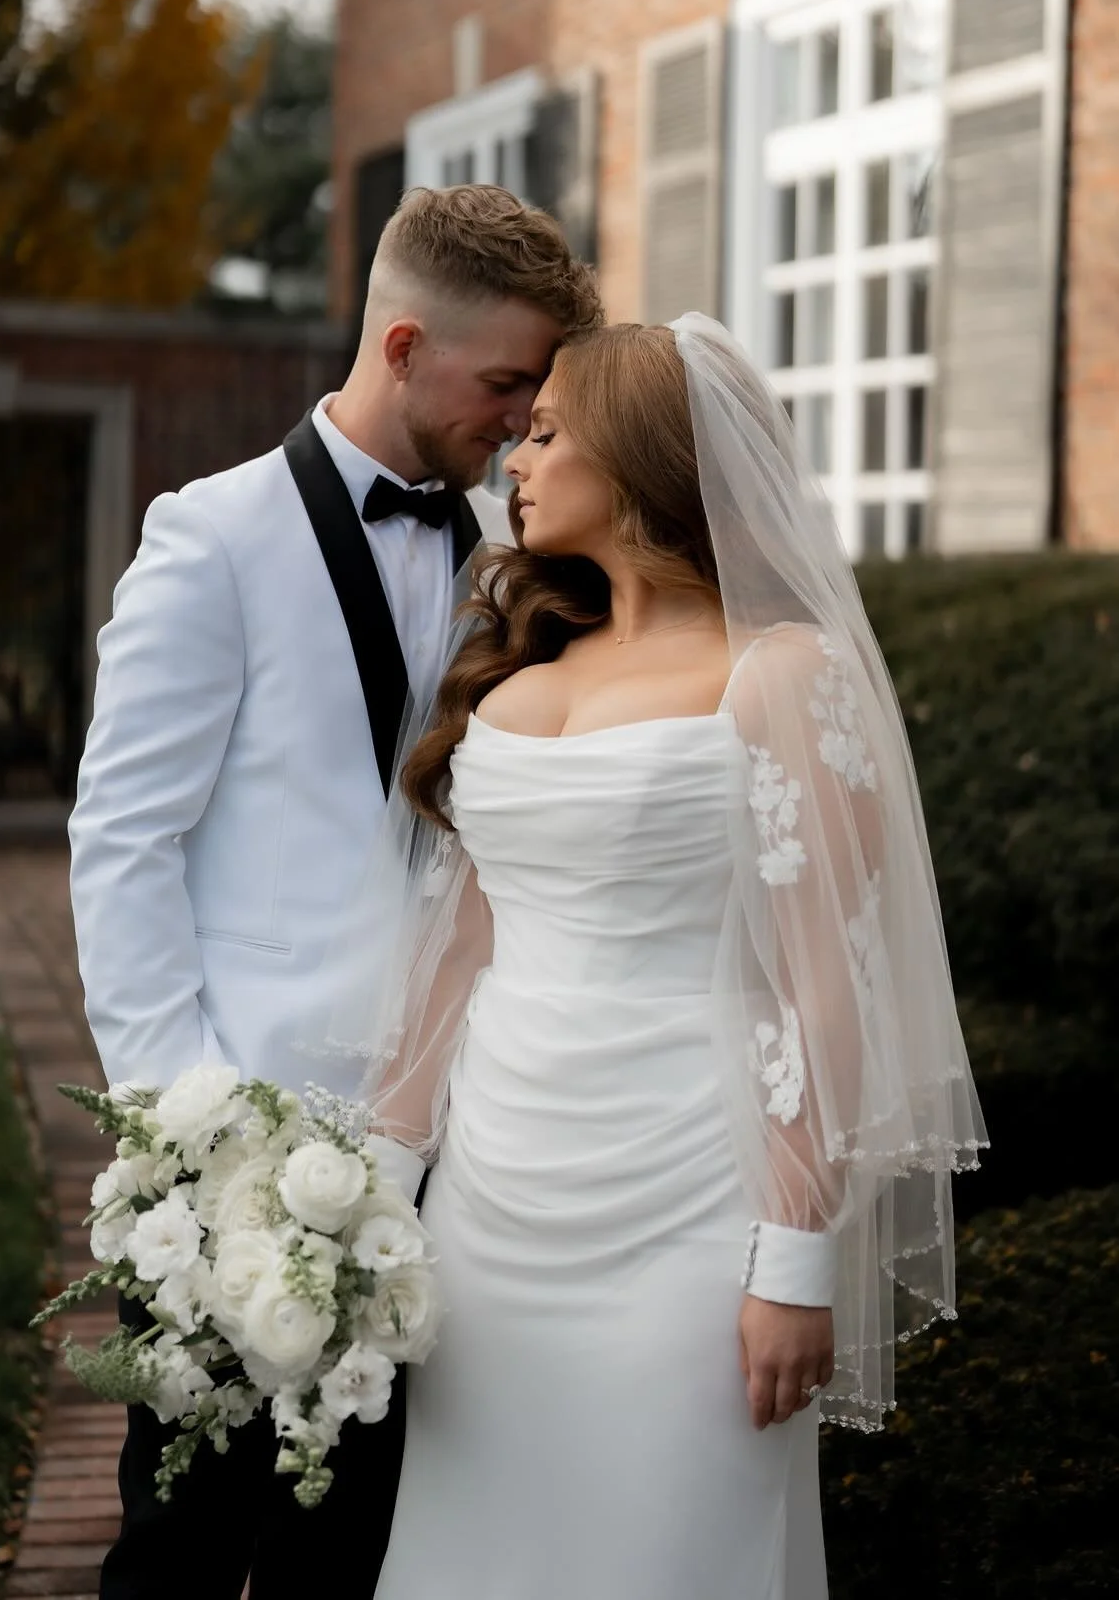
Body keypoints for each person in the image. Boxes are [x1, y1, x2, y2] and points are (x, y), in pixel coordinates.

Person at [334, 318, 985, 1599]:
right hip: (491, 1212)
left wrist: (795, 1255)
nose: (517, 453)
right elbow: (454, 961)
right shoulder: (524, 667)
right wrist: (367, 1199)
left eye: (551, 429)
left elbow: (829, 981)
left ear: (636, 457)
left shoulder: (784, 674)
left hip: (693, 1205)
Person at [66, 183, 600, 1600]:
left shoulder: (523, 558)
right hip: (244, 1137)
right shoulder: (213, 536)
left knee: (358, 1549)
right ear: (407, 342)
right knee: (182, 1543)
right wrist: (188, 1135)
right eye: (505, 385)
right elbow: (122, 841)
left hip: (459, 1152)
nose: (519, 418)